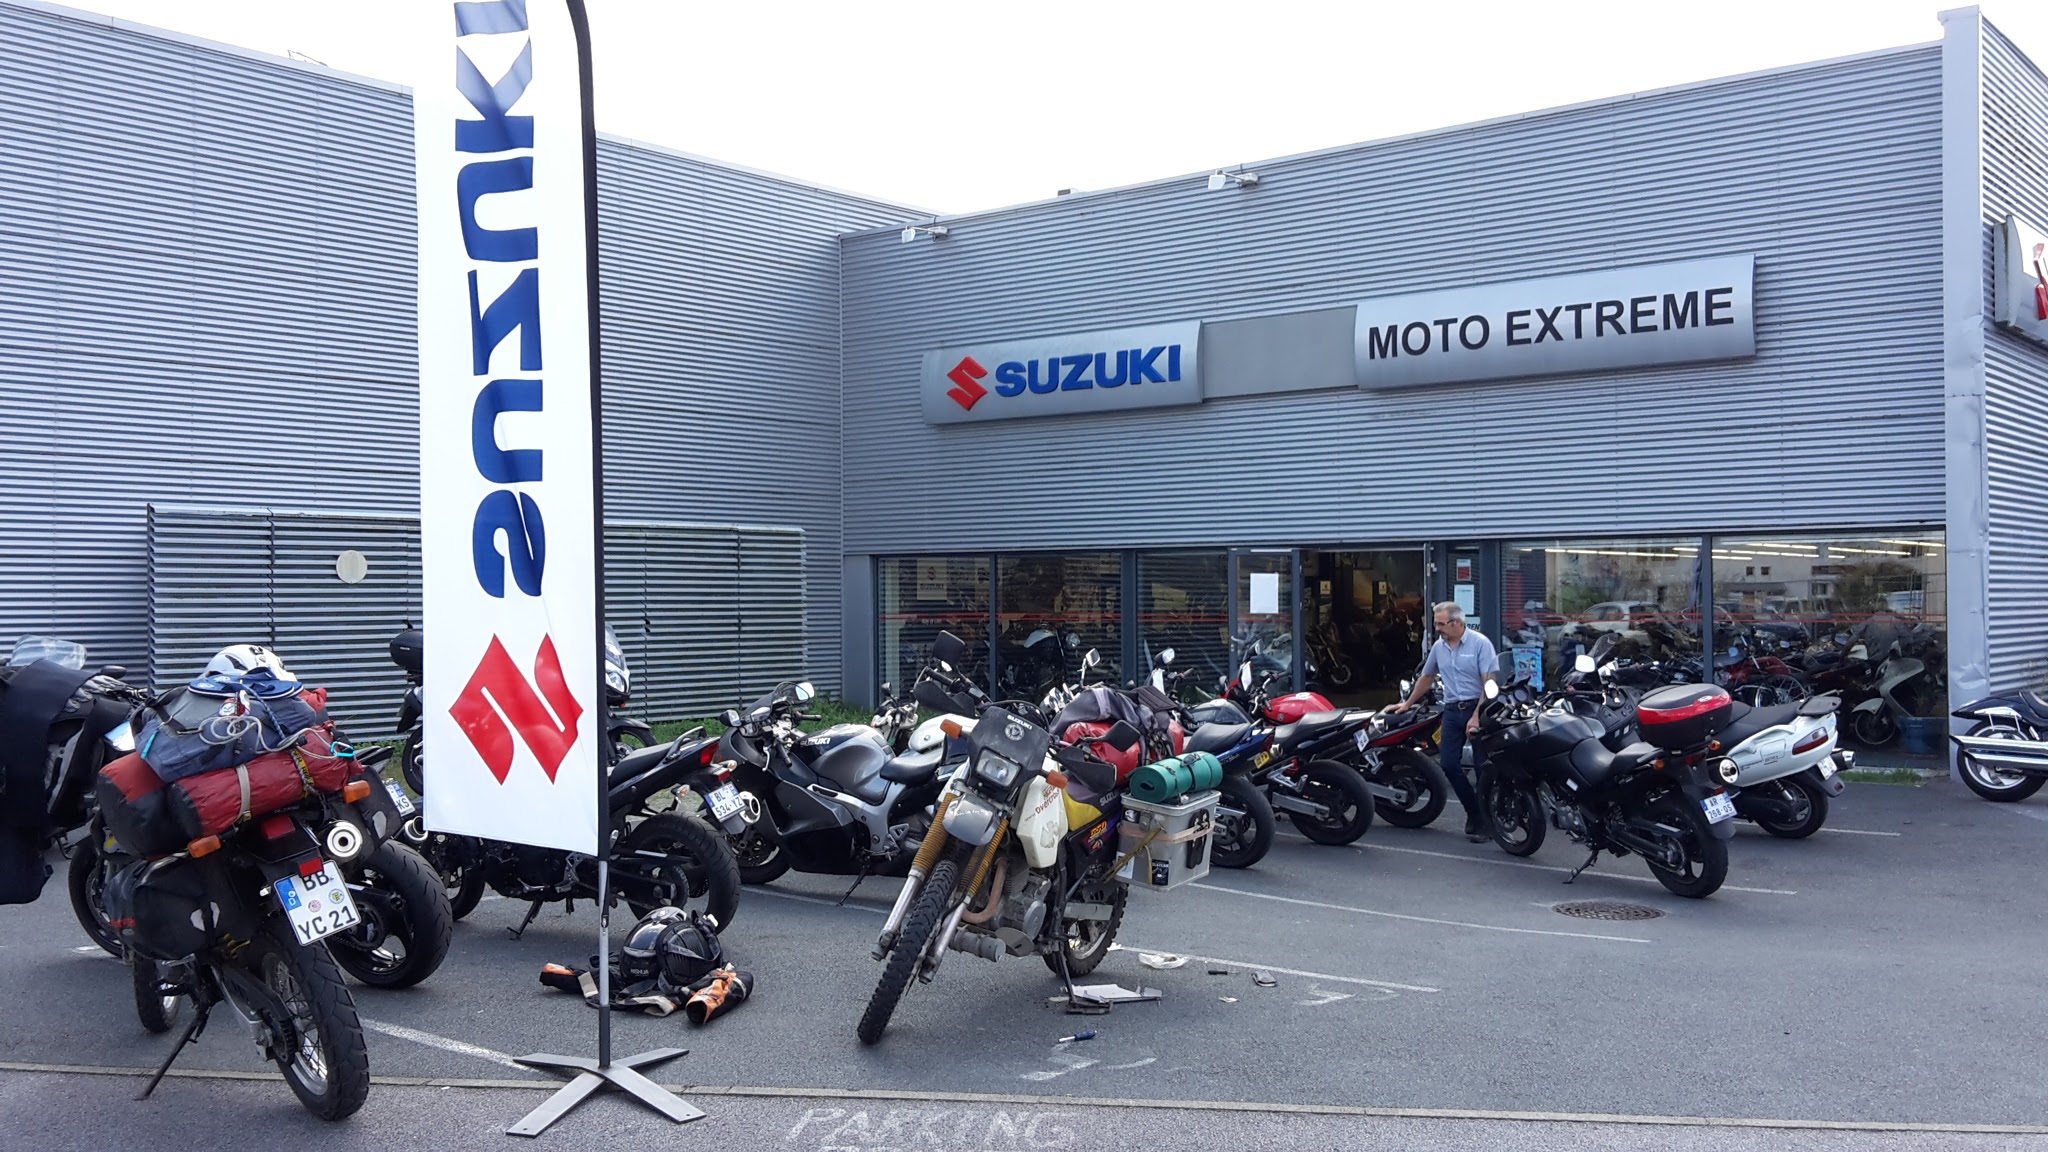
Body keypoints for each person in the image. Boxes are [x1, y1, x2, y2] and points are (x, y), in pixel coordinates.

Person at [1390, 601, 1500, 843]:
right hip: (1451, 710)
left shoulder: (1480, 644)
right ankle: (1474, 811)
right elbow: (1427, 676)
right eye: (1436, 623)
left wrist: (1476, 716)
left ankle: (1486, 820)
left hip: (1478, 707)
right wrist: (1407, 704)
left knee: (1482, 768)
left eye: (1441, 624)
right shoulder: (1439, 648)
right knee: (1449, 764)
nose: (1437, 628)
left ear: (1457, 622)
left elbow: (1489, 683)